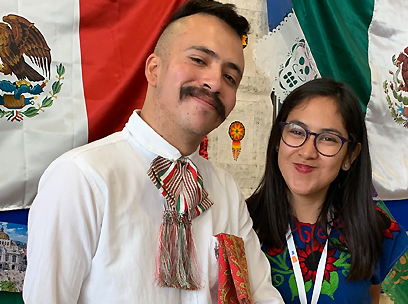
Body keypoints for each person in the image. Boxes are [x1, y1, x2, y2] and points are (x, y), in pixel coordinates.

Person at [23, 1, 283, 303]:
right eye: (199, 59)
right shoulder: (82, 177)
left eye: (230, 77)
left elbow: (260, 296)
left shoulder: (225, 191)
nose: (214, 82)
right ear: (154, 69)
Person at [247, 78, 408, 304]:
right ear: (278, 140)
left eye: (327, 138)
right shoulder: (241, 224)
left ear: (350, 155)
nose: (307, 152)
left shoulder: (379, 233)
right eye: (296, 131)